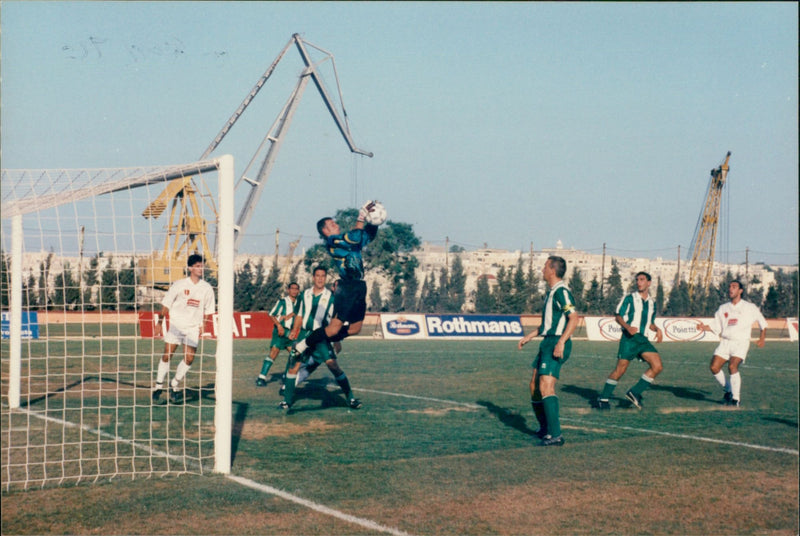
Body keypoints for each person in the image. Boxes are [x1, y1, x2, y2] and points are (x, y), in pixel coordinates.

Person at [290, 200, 379, 359]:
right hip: (347, 287)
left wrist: (375, 220)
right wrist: (361, 217)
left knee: (354, 329)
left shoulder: (350, 240)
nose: (335, 224)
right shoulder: (333, 241)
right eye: (331, 224)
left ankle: (320, 340)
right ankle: (303, 344)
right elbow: (355, 237)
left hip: (359, 285)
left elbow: (367, 236)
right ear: (325, 231)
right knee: (333, 329)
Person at [517, 256, 579, 447]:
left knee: (546, 386)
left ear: (552, 270)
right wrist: (530, 336)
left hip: (556, 343)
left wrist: (561, 342)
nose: (542, 269)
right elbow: (548, 324)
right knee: (534, 388)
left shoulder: (562, 292)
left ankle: (556, 435)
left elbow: (574, 318)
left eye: (545, 266)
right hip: (547, 341)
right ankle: (545, 429)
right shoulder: (551, 293)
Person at [279, 266, 361, 410]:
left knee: (333, 366)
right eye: (317, 275)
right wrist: (294, 330)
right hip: (304, 335)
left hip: (321, 336)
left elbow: (333, 322)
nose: (320, 278)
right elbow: (299, 315)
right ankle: (287, 401)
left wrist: (336, 341)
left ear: (325, 278)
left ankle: (351, 398)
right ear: (313, 277)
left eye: (323, 276)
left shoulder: (331, 297)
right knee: (294, 367)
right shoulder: (304, 294)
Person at [594, 271, 664, 410]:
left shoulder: (652, 302)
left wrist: (657, 329)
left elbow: (650, 323)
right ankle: (603, 398)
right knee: (620, 370)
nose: (639, 282)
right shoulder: (629, 298)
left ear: (649, 283)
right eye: (637, 280)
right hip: (629, 339)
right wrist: (627, 327)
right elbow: (618, 316)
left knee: (657, 366)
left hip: (643, 340)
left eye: (642, 280)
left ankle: (634, 392)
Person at [152, 254, 216, 404]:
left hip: (193, 327)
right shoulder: (179, 284)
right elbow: (166, 304)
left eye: (202, 266)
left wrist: (203, 325)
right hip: (176, 325)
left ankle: (174, 384)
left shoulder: (206, 288)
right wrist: (160, 323)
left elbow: (208, 310)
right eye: (198, 266)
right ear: (190, 268)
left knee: (189, 358)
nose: (201, 269)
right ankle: (158, 386)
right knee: (168, 355)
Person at [696, 280, 767, 407]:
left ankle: (736, 399)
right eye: (729, 286)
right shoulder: (723, 308)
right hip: (725, 342)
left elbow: (762, 322)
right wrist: (703, 327)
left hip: (741, 342)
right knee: (714, 367)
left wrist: (762, 338)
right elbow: (716, 327)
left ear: (740, 291)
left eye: (734, 287)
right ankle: (728, 390)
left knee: (732, 367)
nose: (730, 289)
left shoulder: (749, 307)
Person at [255, 282, 300, 387]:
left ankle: (286, 376)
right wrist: (279, 326)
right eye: (292, 288)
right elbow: (271, 314)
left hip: (290, 334)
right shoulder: (283, 302)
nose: (294, 291)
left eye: (296, 289)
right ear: (288, 290)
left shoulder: (299, 303)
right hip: (281, 331)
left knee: (294, 354)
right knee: (274, 353)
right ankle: (261, 377)